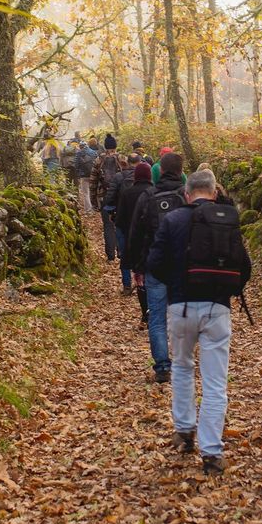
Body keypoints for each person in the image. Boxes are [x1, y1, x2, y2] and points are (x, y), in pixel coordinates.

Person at [146, 168, 252, 475]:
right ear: (215, 192)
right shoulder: (227, 221)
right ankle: (212, 452)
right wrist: (225, 292)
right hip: (218, 308)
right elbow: (244, 267)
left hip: (180, 307)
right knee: (215, 381)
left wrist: (177, 285)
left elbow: (154, 264)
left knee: (181, 367)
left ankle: (184, 432)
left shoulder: (173, 220)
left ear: (186, 193)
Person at [127, 152, 187, 383]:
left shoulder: (148, 196)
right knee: (182, 314)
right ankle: (182, 360)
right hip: (182, 266)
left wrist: (136, 266)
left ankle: (162, 366)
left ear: (160, 170)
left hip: (155, 266)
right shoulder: (187, 196)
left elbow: (136, 233)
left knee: (157, 318)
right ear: (181, 171)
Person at [117, 160, 154, 308]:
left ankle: (145, 310)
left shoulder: (127, 193)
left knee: (139, 274)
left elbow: (119, 220)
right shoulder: (155, 192)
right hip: (151, 239)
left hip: (132, 239)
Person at [90, 134, 122, 260]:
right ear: (115, 146)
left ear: (105, 147)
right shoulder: (122, 158)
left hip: (104, 197)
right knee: (120, 224)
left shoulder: (99, 160)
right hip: (120, 198)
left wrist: (94, 201)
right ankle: (120, 250)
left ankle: (110, 255)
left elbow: (93, 182)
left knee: (108, 226)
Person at [74, 139, 98, 212]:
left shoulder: (78, 153)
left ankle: (88, 209)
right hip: (93, 174)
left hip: (84, 175)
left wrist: (78, 174)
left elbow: (76, 165)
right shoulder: (94, 152)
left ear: (80, 146)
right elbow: (97, 163)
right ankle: (95, 206)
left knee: (85, 193)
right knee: (93, 191)